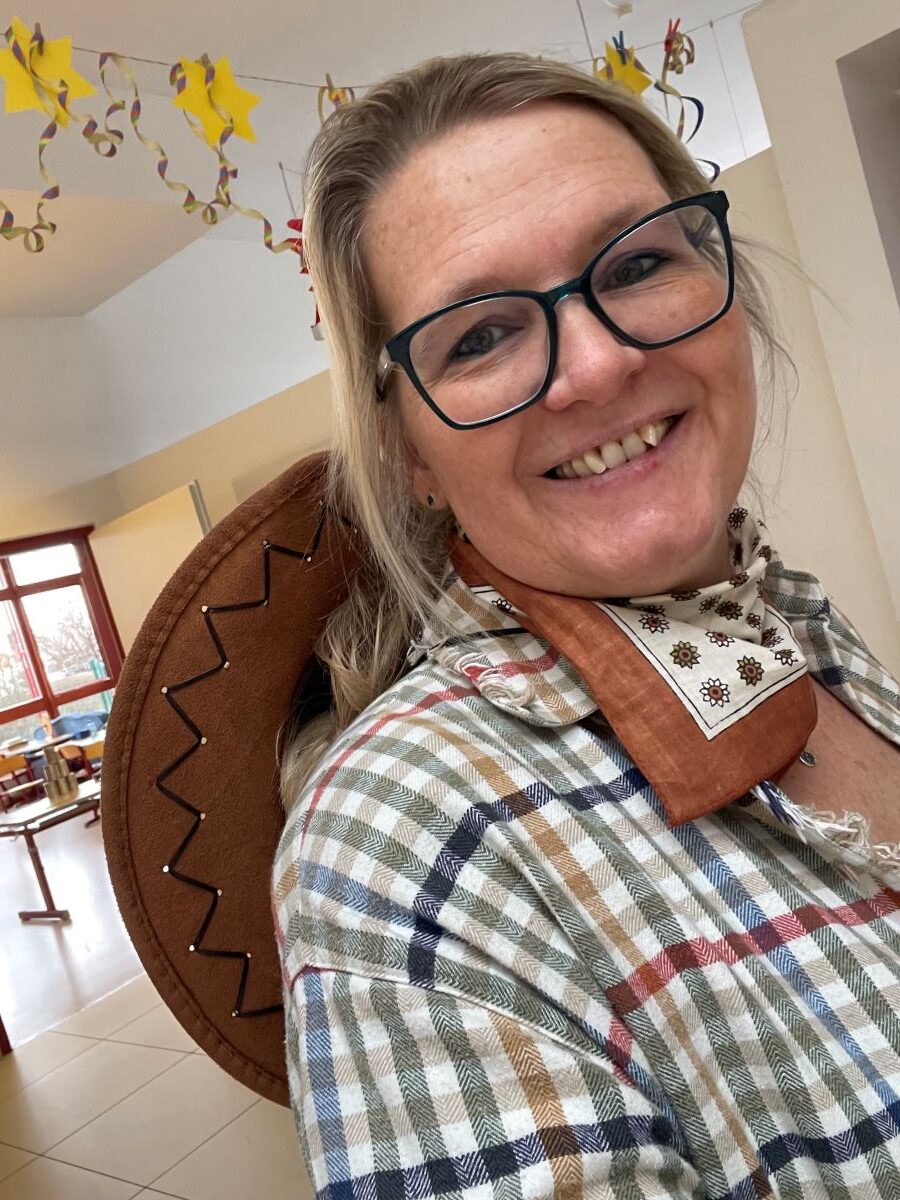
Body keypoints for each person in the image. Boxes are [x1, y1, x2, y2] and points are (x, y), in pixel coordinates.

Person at [273, 52, 900, 1197]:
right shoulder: (397, 838)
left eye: (639, 262)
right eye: (479, 336)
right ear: (409, 452)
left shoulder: (796, 618)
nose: (600, 364)